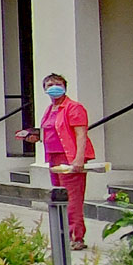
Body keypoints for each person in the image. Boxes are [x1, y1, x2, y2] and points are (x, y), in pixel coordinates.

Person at [39, 73, 97, 250]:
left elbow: (81, 134)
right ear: (45, 89)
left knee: (73, 198)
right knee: (59, 197)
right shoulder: (50, 109)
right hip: (54, 157)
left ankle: (76, 237)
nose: (53, 87)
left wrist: (78, 159)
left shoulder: (74, 108)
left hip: (69, 157)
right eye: (49, 84)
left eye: (57, 84)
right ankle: (62, 235)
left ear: (64, 87)